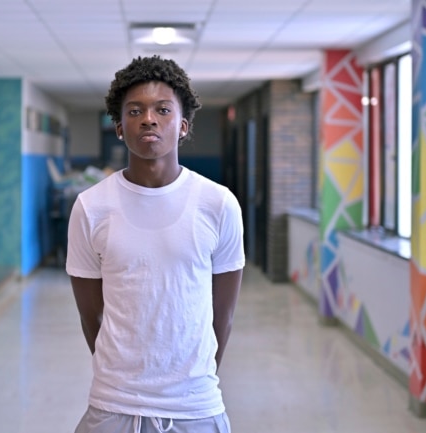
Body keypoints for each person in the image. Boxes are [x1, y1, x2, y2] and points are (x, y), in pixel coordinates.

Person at [65, 55, 245, 433]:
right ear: (119, 127)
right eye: (135, 110)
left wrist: (190, 381)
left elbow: (222, 316)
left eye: (162, 109)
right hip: (112, 405)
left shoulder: (218, 204)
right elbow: (90, 316)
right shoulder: (91, 207)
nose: (149, 118)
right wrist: (124, 378)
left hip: (196, 406)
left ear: (182, 125)